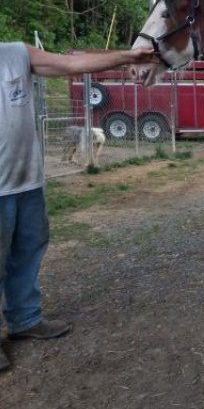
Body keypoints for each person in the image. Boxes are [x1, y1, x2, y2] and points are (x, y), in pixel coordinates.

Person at [0, 42, 156, 371]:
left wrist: (130, 56)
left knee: (28, 250)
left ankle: (25, 320)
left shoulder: (16, 53)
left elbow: (72, 63)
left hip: (26, 179)